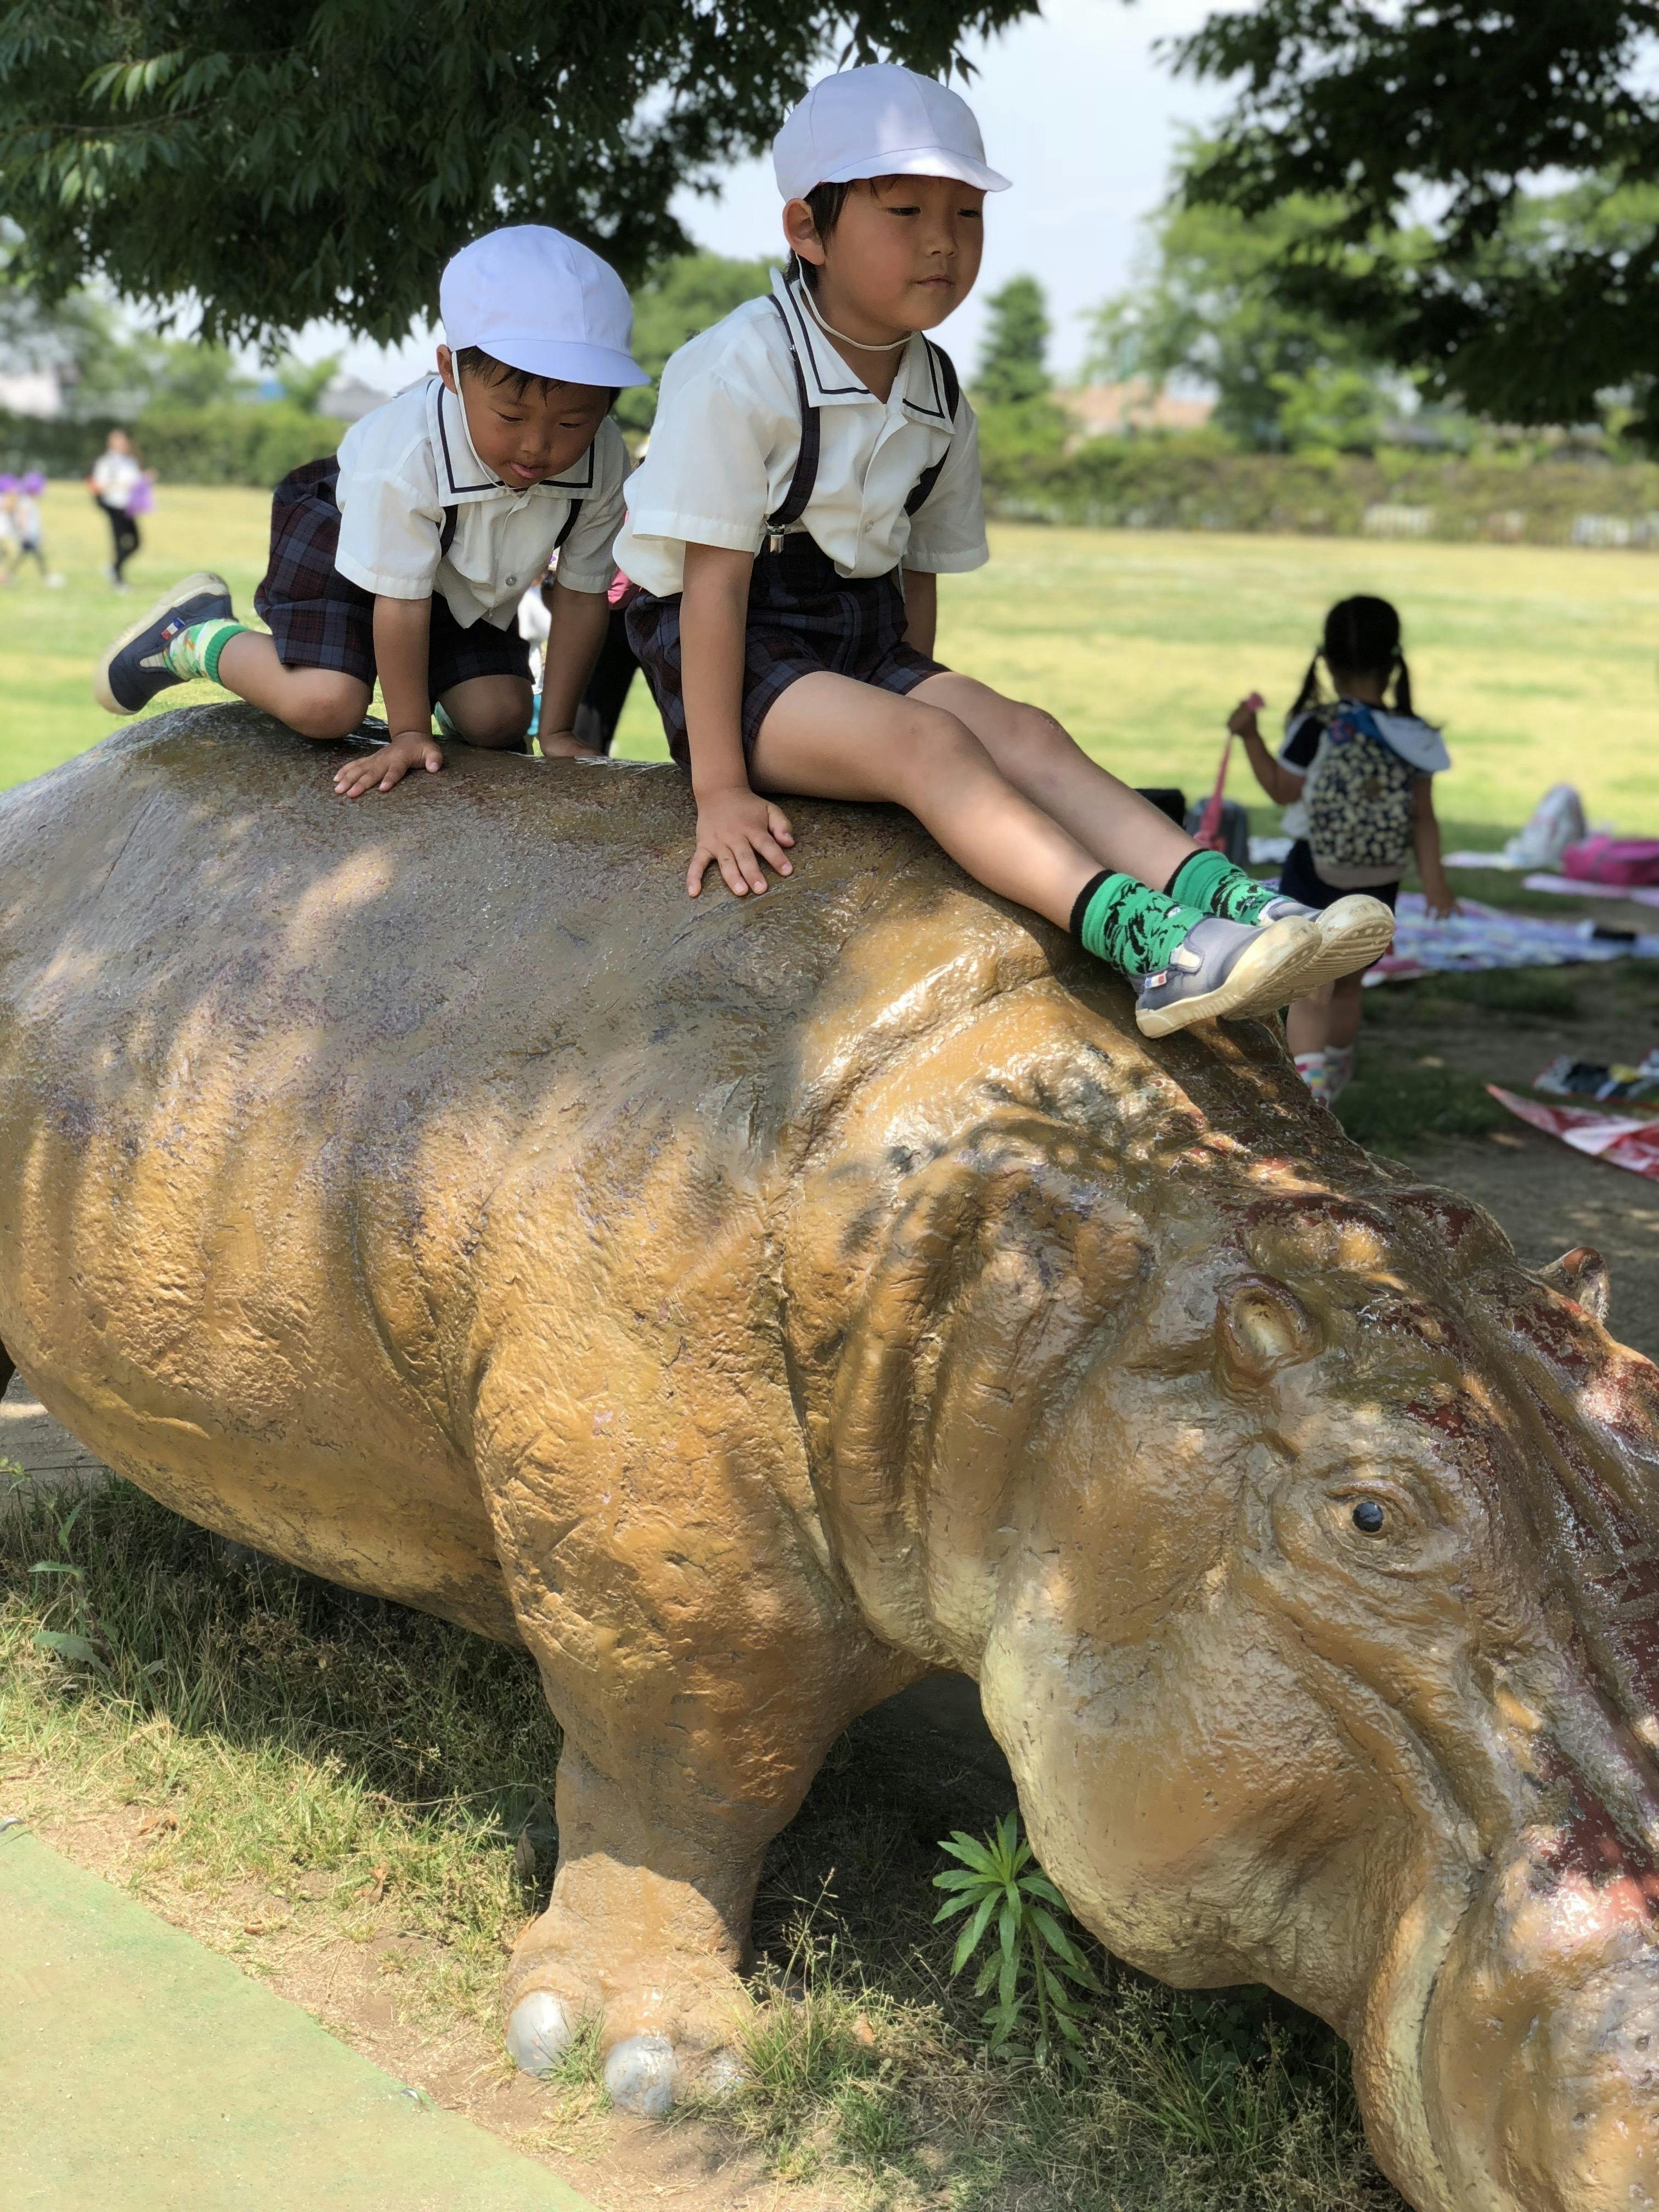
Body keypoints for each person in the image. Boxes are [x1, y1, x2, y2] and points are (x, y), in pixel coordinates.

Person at [616, 65, 1392, 1037]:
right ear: (806, 231)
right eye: (905, 211)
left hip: (858, 638)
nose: (943, 241)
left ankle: (1242, 906)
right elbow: (712, 590)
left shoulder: (937, 392)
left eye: (968, 215)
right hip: (727, 646)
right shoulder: (739, 368)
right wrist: (722, 788)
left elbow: (914, 577)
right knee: (932, 744)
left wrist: (907, 706)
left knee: (1025, 732)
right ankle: (1157, 946)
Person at [93, 226, 647, 794]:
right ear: (451, 373)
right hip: (345, 536)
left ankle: (446, 683)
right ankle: (190, 632)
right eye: (511, 417)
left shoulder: (604, 458)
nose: (536, 447)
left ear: (606, 407)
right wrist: (409, 733)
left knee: (499, 719)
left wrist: (556, 730)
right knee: (326, 704)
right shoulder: (407, 456)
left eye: (572, 423)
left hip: (455, 584)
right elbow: (400, 601)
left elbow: (582, 595)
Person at [1231, 595, 1454, 1102]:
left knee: (1311, 984)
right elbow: (1423, 817)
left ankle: (1311, 1094)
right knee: (1349, 982)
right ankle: (1336, 1068)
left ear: (1328, 663)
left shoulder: (1318, 726)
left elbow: (1281, 790)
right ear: (1393, 665)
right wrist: (1436, 884)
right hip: (1380, 879)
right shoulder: (1414, 737)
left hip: (1313, 871)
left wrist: (1249, 737)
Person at [87, 429, 148, 589]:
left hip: (128, 506)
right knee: (119, 542)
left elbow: (136, 480)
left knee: (136, 542)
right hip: (114, 505)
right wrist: (119, 484)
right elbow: (98, 485)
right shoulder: (107, 462)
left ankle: (114, 567)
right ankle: (118, 580)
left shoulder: (130, 460)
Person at [11, 473, 62, 586]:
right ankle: (47, 578)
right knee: (37, 556)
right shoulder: (26, 501)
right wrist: (24, 533)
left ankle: (9, 576)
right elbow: (22, 518)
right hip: (28, 536)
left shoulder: (29, 501)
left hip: (31, 535)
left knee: (22, 557)